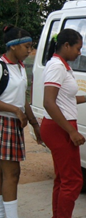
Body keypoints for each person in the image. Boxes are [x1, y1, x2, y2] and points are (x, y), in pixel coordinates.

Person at [40, 29, 86, 218]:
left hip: (60, 126)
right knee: (73, 181)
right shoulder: (56, 67)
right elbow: (49, 102)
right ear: (66, 45)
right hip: (59, 128)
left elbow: (64, 99)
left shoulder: (62, 66)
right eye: (78, 48)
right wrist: (71, 131)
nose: (80, 53)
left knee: (63, 179)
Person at [0, 25, 42, 218]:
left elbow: (20, 97)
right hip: (4, 123)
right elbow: (15, 104)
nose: (29, 51)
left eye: (30, 46)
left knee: (4, 174)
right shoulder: (1, 66)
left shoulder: (20, 67)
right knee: (12, 173)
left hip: (12, 124)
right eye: (26, 46)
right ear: (13, 46)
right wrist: (15, 110)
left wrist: (34, 123)